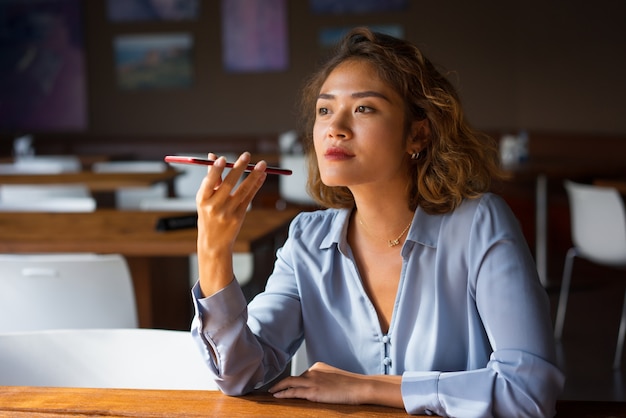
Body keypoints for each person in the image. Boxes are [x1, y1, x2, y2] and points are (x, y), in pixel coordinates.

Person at [190, 27, 564, 417]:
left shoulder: (479, 224)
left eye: (363, 108)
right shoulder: (306, 240)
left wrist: (366, 388)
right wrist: (214, 251)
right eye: (324, 110)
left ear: (418, 134)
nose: (335, 127)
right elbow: (239, 374)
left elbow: (528, 392)